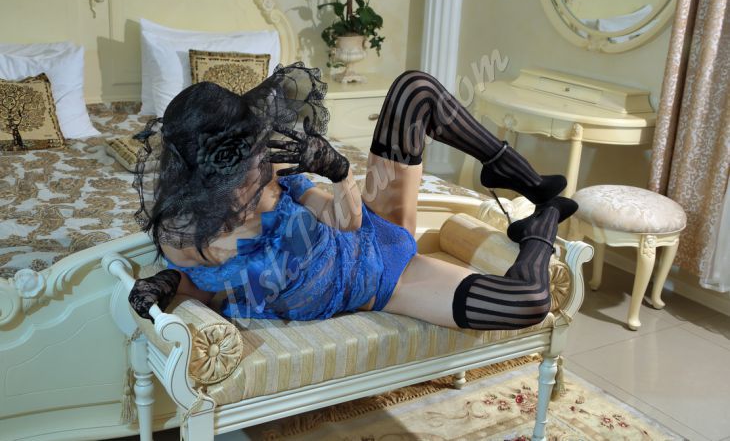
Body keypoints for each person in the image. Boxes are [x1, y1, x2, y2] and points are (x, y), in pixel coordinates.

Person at [129, 62, 577, 331]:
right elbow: (204, 293)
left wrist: (339, 172)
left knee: (415, 89)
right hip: (385, 281)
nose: (257, 169)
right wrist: (166, 283)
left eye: (255, 153)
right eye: (241, 165)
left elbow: (349, 222)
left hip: (370, 229)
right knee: (528, 302)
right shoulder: (182, 233)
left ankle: (518, 175)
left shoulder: (269, 173)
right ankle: (541, 224)